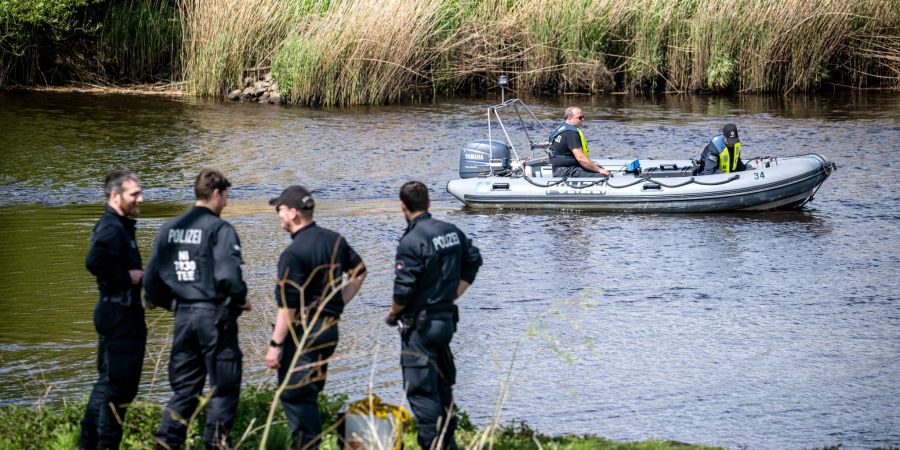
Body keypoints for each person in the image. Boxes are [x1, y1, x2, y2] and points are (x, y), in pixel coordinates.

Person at [143, 169, 250, 450]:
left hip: (184, 318)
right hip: (215, 318)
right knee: (223, 389)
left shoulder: (169, 228)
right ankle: (216, 445)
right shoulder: (220, 229)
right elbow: (229, 276)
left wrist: (176, 305)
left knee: (185, 390)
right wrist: (240, 299)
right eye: (226, 196)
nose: (226, 202)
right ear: (216, 193)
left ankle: (166, 444)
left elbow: (151, 282)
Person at [265, 185, 367, 450]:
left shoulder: (292, 254)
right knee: (308, 394)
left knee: (295, 397)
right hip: (328, 331)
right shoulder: (335, 240)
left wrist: (275, 347)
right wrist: (336, 303)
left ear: (294, 213)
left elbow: (287, 307)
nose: (278, 214)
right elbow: (359, 272)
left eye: (280, 209)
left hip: (304, 335)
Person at [385, 181, 482, 450]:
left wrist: (392, 314)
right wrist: (451, 295)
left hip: (420, 325)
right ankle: (447, 441)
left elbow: (403, 289)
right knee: (442, 382)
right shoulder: (450, 231)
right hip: (445, 320)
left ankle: (432, 443)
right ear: (428, 203)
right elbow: (473, 261)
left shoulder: (411, 241)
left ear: (402, 206)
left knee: (421, 388)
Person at [79, 171, 147, 450]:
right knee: (117, 389)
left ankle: (88, 445)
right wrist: (127, 277)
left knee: (108, 384)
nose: (140, 198)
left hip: (118, 311)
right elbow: (94, 261)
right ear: (114, 196)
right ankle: (105, 445)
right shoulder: (111, 227)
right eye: (134, 194)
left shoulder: (119, 225)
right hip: (119, 314)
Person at [548, 106, 610, 178]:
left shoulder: (562, 127)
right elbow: (580, 158)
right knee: (603, 175)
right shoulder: (571, 133)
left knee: (599, 169)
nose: (582, 119)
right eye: (579, 117)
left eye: (583, 117)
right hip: (566, 171)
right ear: (569, 118)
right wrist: (599, 170)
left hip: (559, 169)